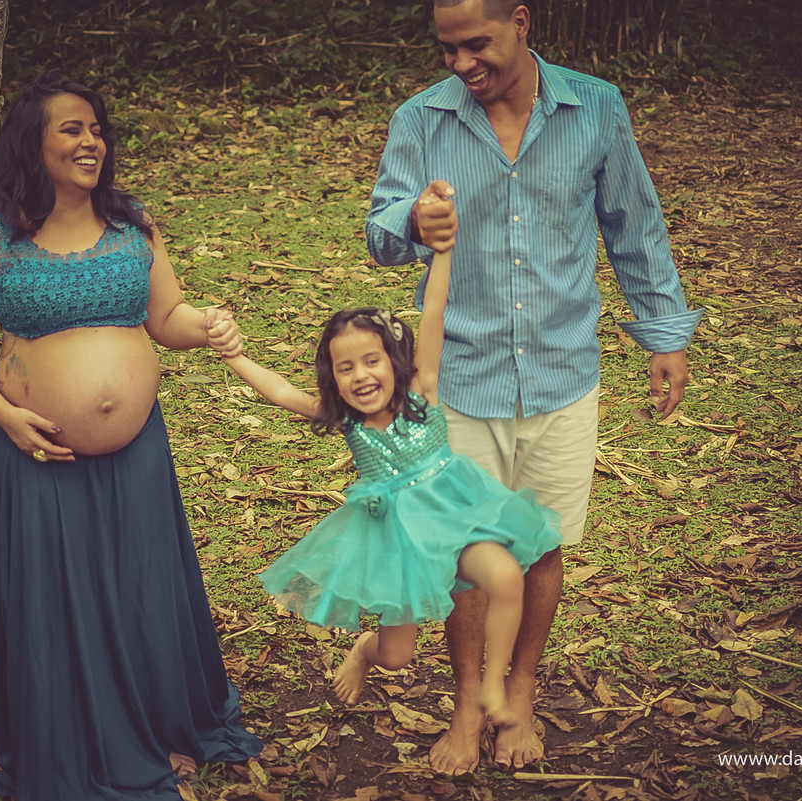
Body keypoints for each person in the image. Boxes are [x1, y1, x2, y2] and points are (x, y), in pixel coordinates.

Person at [365, 0, 703, 775]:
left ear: (521, 22)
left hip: (561, 373)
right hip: (458, 374)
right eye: (448, 50)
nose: (461, 64)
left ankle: (517, 695)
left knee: (541, 545)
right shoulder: (421, 119)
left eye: (476, 45)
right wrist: (412, 220)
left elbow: (634, 225)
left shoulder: (596, 108)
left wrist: (665, 335)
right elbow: (380, 231)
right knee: (467, 556)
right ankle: (465, 707)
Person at [0, 71, 261, 800]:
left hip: (137, 454)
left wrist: (208, 324)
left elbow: (166, 319)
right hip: (39, 454)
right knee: (66, 603)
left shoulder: (131, 222)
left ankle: (160, 727)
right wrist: (6, 414)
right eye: (71, 128)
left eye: (96, 128)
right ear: (31, 143)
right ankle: (85, 744)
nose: (90, 141)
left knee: (143, 590)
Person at [210, 244, 560, 723]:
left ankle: (493, 689)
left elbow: (434, 309)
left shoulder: (422, 391)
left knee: (504, 578)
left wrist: (443, 251)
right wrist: (234, 356)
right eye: (345, 367)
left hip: (455, 517)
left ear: (395, 360)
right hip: (401, 543)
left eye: (371, 360)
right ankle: (362, 651)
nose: (360, 375)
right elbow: (279, 391)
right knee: (397, 657)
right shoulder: (348, 420)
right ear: (333, 378)